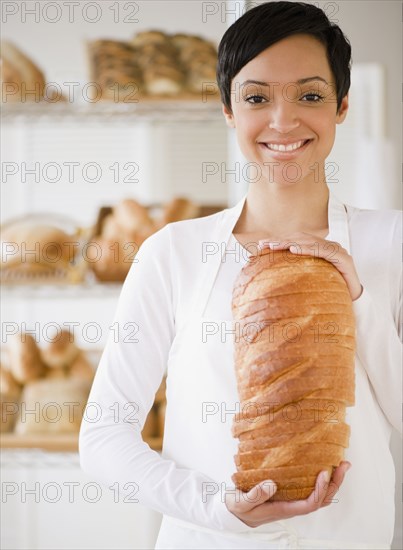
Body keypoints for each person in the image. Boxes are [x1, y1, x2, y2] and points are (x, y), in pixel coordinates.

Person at [79, 2, 401, 548]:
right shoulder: (173, 253)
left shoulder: (390, 244)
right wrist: (218, 508)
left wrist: (359, 302)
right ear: (228, 108)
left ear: (342, 105)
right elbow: (103, 436)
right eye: (256, 98)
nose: (283, 120)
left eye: (310, 95)